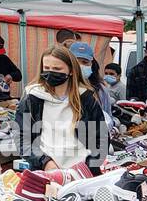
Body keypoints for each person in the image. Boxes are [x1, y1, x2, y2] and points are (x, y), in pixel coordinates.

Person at [16, 44, 107, 172]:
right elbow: (22, 140)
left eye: (57, 69)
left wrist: (87, 166)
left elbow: (101, 139)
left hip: (82, 172)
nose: (51, 72)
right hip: (44, 171)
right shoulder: (32, 98)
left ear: (70, 71)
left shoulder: (86, 99)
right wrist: (45, 162)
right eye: (46, 68)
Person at [69, 40, 113, 128]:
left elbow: (108, 117)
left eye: (85, 62)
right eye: (76, 62)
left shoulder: (101, 90)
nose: (80, 66)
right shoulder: (62, 88)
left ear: (91, 64)